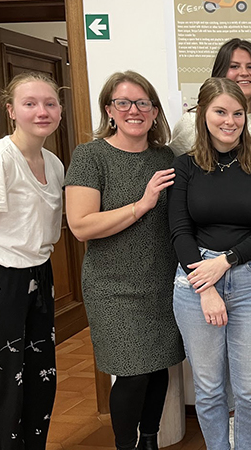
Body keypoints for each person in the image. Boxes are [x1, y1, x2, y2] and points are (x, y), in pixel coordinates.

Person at [169, 39, 251, 450]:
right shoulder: (186, 165)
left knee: (250, 389)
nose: (229, 121)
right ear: (202, 115)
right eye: (220, 112)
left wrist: (225, 261)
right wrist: (204, 286)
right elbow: (179, 230)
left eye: (237, 113)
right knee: (208, 389)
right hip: (195, 282)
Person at [64, 71, 185, 450]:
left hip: (162, 281)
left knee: (158, 366)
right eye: (124, 102)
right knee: (132, 374)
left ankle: (149, 440)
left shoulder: (166, 156)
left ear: (154, 110)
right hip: (113, 287)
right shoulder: (90, 156)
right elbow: (81, 226)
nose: (134, 110)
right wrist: (142, 204)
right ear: (109, 110)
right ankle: (125, 445)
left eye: (142, 103)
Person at [0, 72, 64, 450]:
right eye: (30, 103)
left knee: (40, 376)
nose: (41, 111)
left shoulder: (54, 162)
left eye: (49, 103)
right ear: (11, 111)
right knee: (1, 383)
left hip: (39, 276)